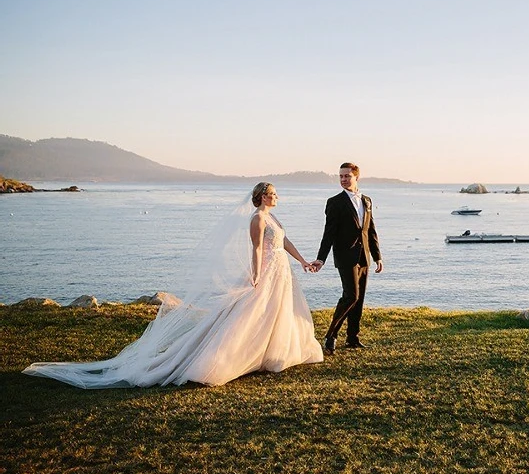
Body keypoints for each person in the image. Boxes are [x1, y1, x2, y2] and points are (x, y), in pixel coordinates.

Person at [23, 182, 323, 388]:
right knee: (254, 315)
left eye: (275, 193)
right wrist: (256, 275)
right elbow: (257, 250)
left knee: (277, 314)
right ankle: (233, 358)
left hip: (283, 272)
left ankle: (274, 354)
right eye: (272, 193)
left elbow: (285, 242)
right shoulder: (257, 220)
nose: (276, 196)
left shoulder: (274, 218)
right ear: (261, 197)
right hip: (268, 273)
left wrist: (302, 260)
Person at [312, 162, 382, 352]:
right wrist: (321, 258)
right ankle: (330, 335)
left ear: (356, 177)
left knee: (359, 299)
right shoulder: (334, 202)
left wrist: (377, 256)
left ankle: (352, 337)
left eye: (346, 176)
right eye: (341, 176)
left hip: (363, 255)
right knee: (351, 295)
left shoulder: (367, 200)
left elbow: (371, 229)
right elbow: (329, 233)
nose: (343, 179)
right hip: (345, 255)